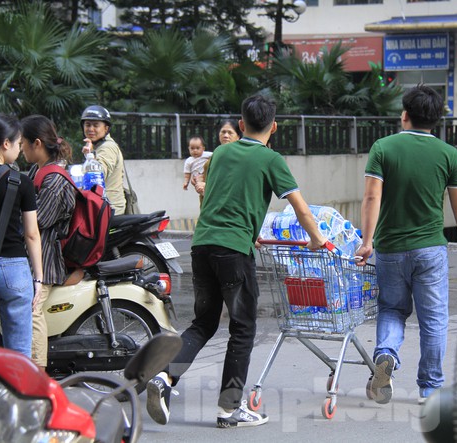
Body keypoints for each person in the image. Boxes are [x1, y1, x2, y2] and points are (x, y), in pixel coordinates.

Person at [146, 95, 327, 428]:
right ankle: (229, 408)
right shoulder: (272, 159)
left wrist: (249, 230)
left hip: (201, 246)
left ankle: (163, 378)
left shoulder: (222, 153)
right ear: (274, 127)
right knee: (243, 329)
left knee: (203, 324)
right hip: (233, 252)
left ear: (241, 125)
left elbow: (220, 196)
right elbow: (300, 207)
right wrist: (317, 238)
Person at [356, 85, 457, 405]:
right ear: (437, 120)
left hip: (390, 248)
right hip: (430, 249)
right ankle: (429, 387)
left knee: (392, 309)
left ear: (405, 115)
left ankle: (386, 353)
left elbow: (372, 197)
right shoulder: (448, 154)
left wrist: (367, 242)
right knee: (434, 319)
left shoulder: (383, 148)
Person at [0, 113, 43, 358]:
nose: (18, 148)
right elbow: (32, 235)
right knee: (19, 352)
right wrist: (39, 278)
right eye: (18, 142)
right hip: (14, 270)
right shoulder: (21, 182)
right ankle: (17, 394)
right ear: (5, 144)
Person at [21, 115, 77, 370]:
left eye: (22, 142)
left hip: (46, 259)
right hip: (35, 255)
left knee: (32, 312)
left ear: (37, 143)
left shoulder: (54, 179)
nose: (20, 147)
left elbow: (37, 222)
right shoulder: (38, 169)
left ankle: (39, 372)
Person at [80, 105, 126, 214]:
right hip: (102, 207)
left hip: (109, 210)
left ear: (106, 128)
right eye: (87, 125)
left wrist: (90, 155)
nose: (91, 129)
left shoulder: (107, 147)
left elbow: (98, 176)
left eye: (96, 125)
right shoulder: (98, 146)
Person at [192, 119, 242, 198]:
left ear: (238, 137)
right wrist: (198, 179)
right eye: (223, 132)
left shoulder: (238, 157)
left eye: (230, 132)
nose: (225, 135)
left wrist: (207, 187)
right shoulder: (215, 154)